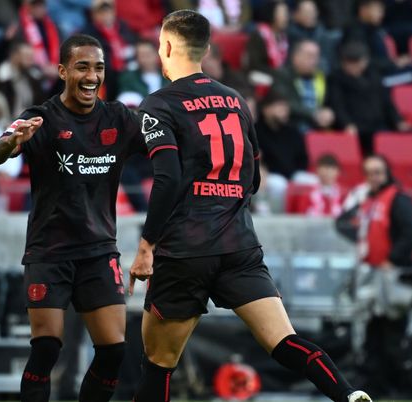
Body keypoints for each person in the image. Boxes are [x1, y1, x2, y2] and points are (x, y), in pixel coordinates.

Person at [128, 10, 372, 402]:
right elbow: (253, 179)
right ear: (206, 49)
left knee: (158, 362)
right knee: (284, 340)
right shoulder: (235, 99)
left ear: (167, 46)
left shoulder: (159, 104)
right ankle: (346, 394)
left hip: (185, 250)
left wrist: (146, 247)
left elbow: (168, 178)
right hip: (239, 245)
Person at [0, 34, 145, 402]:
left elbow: (164, 144)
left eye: (99, 67)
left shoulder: (119, 118)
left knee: (114, 351)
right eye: (82, 66)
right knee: (47, 348)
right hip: (50, 252)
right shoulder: (39, 118)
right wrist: (11, 143)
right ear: (62, 71)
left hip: (98, 251)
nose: (91, 76)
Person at [355, 154, 412, 397]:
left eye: (378, 172)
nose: (373, 178)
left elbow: (410, 233)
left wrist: (391, 260)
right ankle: (378, 387)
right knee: (374, 333)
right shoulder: (369, 201)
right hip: (375, 277)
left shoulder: (398, 199)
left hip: (395, 276)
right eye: (369, 173)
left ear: (387, 173)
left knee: (395, 335)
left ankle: (406, 389)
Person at [342, 0, 412, 108]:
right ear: (363, 10)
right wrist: (394, 63)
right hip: (379, 81)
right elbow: (361, 63)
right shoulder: (355, 32)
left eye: (381, 10)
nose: (381, 14)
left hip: (386, 72)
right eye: (377, 10)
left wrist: (394, 62)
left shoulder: (374, 30)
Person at [326, 41, 412, 154]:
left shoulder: (374, 76)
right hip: (356, 126)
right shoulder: (336, 78)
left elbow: (387, 102)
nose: (352, 67)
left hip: (378, 125)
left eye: (356, 63)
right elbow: (337, 104)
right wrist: (346, 124)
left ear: (364, 62)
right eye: (349, 63)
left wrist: (398, 121)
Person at [255, 91, 309, 213]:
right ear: (266, 109)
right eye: (279, 107)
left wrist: (295, 173)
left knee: (310, 181)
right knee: (279, 184)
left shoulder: (293, 131)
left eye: (285, 107)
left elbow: (303, 157)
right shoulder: (255, 130)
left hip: (293, 174)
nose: (284, 111)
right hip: (268, 176)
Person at [272, 39, 335, 134]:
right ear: (296, 57)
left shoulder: (321, 77)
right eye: (309, 56)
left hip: (318, 128)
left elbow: (329, 102)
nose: (314, 61)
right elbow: (286, 102)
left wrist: (328, 113)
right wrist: (314, 113)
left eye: (316, 56)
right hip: (292, 128)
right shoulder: (283, 75)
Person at [82, 0, 136, 100]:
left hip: (127, 69)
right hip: (108, 74)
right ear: (94, 15)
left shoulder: (123, 27)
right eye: (101, 12)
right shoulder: (89, 33)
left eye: (108, 11)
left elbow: (132, 45)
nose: (106, 15)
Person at [0, 41, 48, 117]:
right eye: (27, 56)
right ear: (14, 56)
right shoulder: (2, 77)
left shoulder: (34, 77)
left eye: (31, 57)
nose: (31, 61)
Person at [288, 0, 339, 73]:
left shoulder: (323, 34)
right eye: (306, 12)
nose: (310, 15)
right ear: (295, 14)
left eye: (312, 11)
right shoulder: (290, 34)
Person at [246, 0, 290, 80]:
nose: (286, 17)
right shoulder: (259, 34)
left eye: (286, 13)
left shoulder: (283, 36)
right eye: (283, 13)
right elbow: (255, 64)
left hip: (279, 74)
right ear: (272, 14)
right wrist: (277, 73)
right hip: (260, 75)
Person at [17, 0, 60, 81]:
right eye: (34, 5)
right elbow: (21, 57)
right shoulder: (21, 28)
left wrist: (55, 67)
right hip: (33, 73)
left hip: (55, 70)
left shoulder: (53, 26)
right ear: (27, 6)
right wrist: (43, 69)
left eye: (41, 4)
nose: (38, 8)